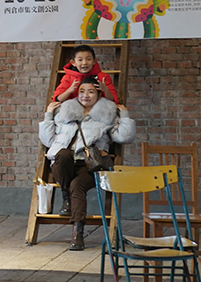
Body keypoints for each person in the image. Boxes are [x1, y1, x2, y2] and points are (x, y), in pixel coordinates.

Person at [39, 75, 135, 250]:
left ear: (99, 94)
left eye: (91, 91)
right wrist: (48, 116)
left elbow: (124, 137)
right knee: (64, 154)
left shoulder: (107, 115)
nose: (85, 95)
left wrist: (124, 115)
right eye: (82, 91)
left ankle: (77, 233)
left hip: (90, 165)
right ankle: (67, 197)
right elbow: (48, 141)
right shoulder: (65, 112)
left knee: (77, 186)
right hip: (64, 164)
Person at [53, 44, 119, 104]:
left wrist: (106, 90)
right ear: (73, 63)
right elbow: (57, 99)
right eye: (80, 60)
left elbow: (113, 101)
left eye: (88, 59)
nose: (84, 63)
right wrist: (70, 90)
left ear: (94, 61)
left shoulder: (104, 77)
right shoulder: (68, 78)